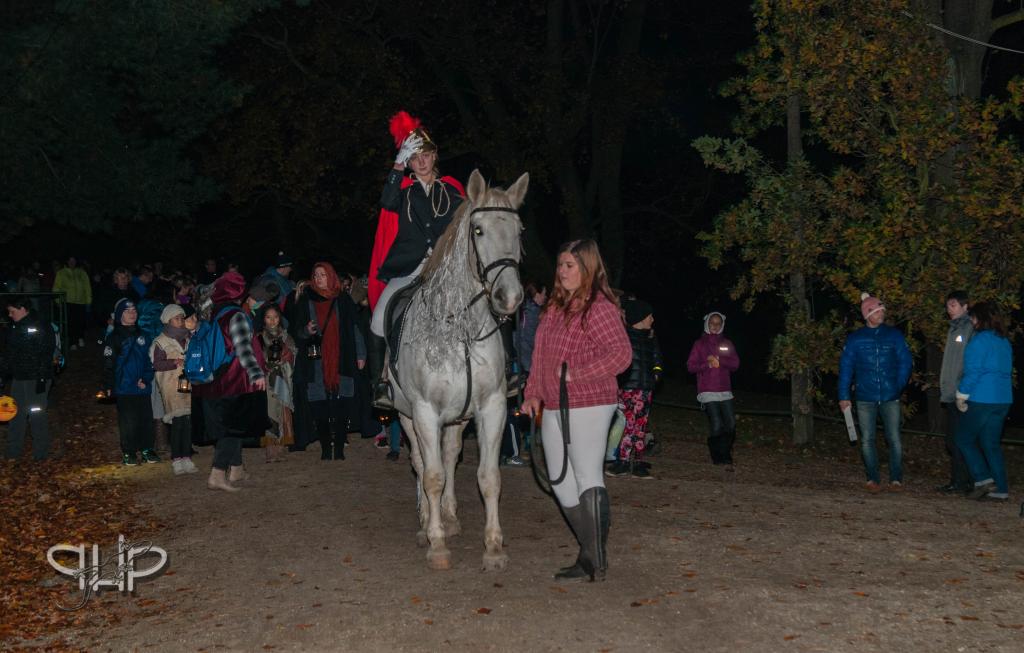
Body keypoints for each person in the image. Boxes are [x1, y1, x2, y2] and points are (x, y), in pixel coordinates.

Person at [522, 239, 632, 582]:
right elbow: (539, 357)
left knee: (586, 474)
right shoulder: (554, 308)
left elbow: (621, 354)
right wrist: (532, 393)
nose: (563, 271)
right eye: (560, 265)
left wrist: (577, 373)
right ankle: (590, 549)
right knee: (559, 480)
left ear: (588, 267)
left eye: (570, 265)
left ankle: (593, 558)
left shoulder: (598, 307)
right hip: (555, 404)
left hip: (591, 402)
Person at [367, 110, 465, 407]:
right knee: (377, 319)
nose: (421, 161)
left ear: (435, 157)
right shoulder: (403, 192)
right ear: (410, 162)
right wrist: (398, 163)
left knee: (489, 300)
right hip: (410, 270)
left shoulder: (452, 189)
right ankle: (380, 383)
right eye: (415, 157)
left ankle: (504, 370)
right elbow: (386, 200)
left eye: (426, 155)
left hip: (445, 271)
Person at [196, 271, 267, 492]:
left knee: (234, 424)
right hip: (234, 380)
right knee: (231, 428)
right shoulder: (235, 315)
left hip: (215, 380)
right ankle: (217, 474)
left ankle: (236, 469)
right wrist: (256, 373)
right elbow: (243, 348)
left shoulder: (213, 313)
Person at [837, 292, 913, 493]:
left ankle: (896, 478)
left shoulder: (894, 335)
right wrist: (843, 395)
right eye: (877, 311)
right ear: (867, 315)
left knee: (894, 438)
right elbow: (846, 367)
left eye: (882, 311)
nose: (881, 314)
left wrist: (898, 385)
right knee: (868, 438)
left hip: (890, 395)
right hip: (864, 396)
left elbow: (905, 361)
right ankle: (872, 478)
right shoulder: (855, 339)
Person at [290, 262, 363, 460]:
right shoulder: (306, 299)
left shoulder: (343, 299)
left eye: (323, 274)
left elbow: (355, 327)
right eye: (316, 275)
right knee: (318, 401)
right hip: (315, 359)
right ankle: (325, 447)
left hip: (343, 357)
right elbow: (296, 331)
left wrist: (361, 354)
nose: (319, 278)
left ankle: (338, 448)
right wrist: (306, 331)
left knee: (343, 402)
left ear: (331, 276)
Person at [955, 302, 1013, 502]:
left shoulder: (979, 341)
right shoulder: (1004, 341)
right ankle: (1001, 489)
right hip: (1003, 399)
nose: (971, 321)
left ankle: (982, 479)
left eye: (972, 318)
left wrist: (962, 394)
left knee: (963, 439)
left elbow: (973, 371)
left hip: (982, 398)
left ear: (979, 318)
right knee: (991, 444)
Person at [607, 298, 662, 478]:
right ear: (640, 318)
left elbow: (657, 359)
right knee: (629, 425)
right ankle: (622, 461)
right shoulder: (624, 339)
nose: (652, 319)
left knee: (641, 425)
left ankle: (637, 462)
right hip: (629, 388)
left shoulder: (650, 338)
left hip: (646, 388)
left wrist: (656, 373)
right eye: (649, 316)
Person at [103, 298, 158, 466]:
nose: (132, 313)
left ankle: (147, 449)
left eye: (134, 310)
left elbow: (150, 361)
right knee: (128, 421)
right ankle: (129, 451)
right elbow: (108, 363)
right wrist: (108, 386)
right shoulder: (114, 337)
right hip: (124, 387)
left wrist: (146, 378)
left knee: (146, 419)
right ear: (120, 315)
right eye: (128, 311)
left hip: (142, 387)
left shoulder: (144, 335)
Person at [1, 297, 56, 460]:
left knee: (36, 414)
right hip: (19, 378)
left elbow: (46, 352)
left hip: (36, 378)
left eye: (12, 311)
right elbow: (9, 355)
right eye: (8, 312)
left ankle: (41, 453)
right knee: (15, 413)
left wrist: (41, 378)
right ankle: (13, 451)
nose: (10, 315)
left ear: (23, 309)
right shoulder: (14, 328)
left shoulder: (40, 325)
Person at [686, 310, 740, 467]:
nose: (715, 326)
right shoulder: (699, 344)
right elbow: (690, 366)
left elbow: (735, 364)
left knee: (730, 424)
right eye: (712, 323)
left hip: (725, 390)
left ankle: (725, 452)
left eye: (718, 323)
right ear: (706, 324)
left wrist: (720, 361)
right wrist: (707, 364)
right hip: (707, 390)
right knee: (717, 424)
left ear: (722, 325)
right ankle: (718, 456)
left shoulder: (727, 343)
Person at [149, 304, 197, 475]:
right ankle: (177, 458)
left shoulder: (188, 339)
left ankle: (187, 457)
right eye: (177, 318)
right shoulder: (160, 342)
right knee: (177, 423)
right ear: (168, 320)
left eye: (182, 318)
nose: (181, 321)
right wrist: (174, 362)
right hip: (171, 386)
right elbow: (156, 364)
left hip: (187, 384)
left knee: (188, 422)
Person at [937, 290, 974, 494]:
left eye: (953, 304)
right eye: (948, 305)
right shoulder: (953, 329)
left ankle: (963, 481)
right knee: (954, 440)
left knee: (958, 439)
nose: (949, 308)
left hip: (961, 393)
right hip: (951, 391)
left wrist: (962, 388)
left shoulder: (968, 327)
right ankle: (962, 480)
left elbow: (966, 361)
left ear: (964, 306)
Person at [258, 304, 296, 462]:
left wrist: (287, 357)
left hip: (283, 378)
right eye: (268, 317)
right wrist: (266, 364)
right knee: (270, 412)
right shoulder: (259, 338)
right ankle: (270, 449)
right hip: (267, 380)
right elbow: (256, 358)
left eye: (275, 317)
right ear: (264, 319)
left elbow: (294, 354)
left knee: (282, 411)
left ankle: (281, 446)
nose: (272, 321)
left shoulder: (286, 337)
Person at [52, 255, 92, 350]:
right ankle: (72, 342)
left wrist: (88, 300)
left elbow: (87, 287)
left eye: (73, 260)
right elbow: (56, 287)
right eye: (70, 260)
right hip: (67, 301)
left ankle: (80, 338)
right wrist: (57, 300)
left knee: (81, 321)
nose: (72, 262)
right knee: (70, 322)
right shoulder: (61, 273)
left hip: (81, 301)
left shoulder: (82, 272)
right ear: (67, 262)